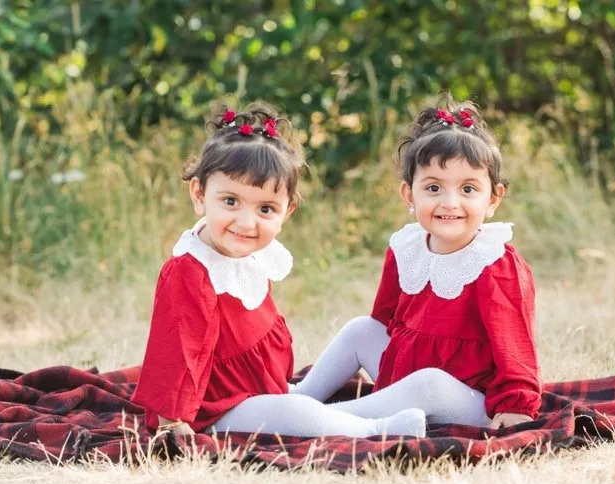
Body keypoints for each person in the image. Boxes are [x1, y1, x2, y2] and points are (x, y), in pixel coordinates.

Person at [131, 102, 427, 439]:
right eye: (230, 201)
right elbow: (175, 353)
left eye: (266, 209)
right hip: (214, 408)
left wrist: (277, 383)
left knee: (360, 331)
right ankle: (377, 427)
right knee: (291, 412)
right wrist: (172, 420)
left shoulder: (247, 252)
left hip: (266, 390)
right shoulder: (191, 271)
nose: (246, 222)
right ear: (199, 194)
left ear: (286, 213)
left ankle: (391, 399)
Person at [291, 96, 542, 430]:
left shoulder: (494, 262)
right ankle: (300, 398)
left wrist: (516, 403)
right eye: (434, 187)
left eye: (468, 189)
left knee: (429, 383)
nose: (450, 203)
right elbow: (385, 320)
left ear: (493, 198)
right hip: (404, 376)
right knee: (361, 329)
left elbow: (515, 345)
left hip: (466, 397)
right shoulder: (406, 248)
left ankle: (328, 420)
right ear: (410, 196)